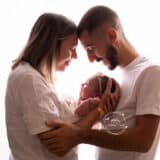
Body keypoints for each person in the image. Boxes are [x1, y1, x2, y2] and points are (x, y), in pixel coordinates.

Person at [39, 6, 160, 160]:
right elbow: (106, 128)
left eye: (91, 48)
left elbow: (143, 141)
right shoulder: (112, 75)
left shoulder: (150, 72)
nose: (90, 59)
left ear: (111, 35)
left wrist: (79, 135)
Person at [5, 12, 120, 160]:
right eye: (72, 48)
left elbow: (67, 130)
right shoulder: (29, 80)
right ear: (52, 44)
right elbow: (59, 145)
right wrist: (99, 109)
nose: (75, 56)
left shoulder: (38, 78)